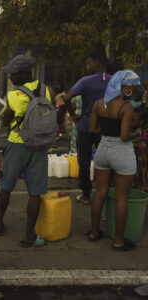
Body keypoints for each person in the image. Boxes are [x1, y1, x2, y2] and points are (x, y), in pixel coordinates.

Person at [0, 55, 51, 247]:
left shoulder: (13, 96)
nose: (10, 77)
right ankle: (29, 235)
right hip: (40, 146)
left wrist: (6, 120)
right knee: (35, 193)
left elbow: (5, 121)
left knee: (6, 187)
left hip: (17, 144)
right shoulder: (46, 90)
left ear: (24, 73)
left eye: (13, 73)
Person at [88, 70, 141, 251]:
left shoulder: (99, 104)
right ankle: (119, 241)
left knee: (100, 192)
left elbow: (92, 128)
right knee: (121, 198)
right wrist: (138, 133)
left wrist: (107, 132)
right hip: (122, 152)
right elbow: (125, 135)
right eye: (133, 88)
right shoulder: (126, 107)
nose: (134, 91)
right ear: (124, 87)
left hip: (103, 149)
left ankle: (94, 233)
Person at [56, 54, 111, 205]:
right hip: (105, 127)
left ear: (97, 62)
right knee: (106, 161)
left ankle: (86, 195)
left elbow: (65, 98)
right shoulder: (113, 80)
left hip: (86, 125)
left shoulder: (85, 81)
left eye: (89, 64)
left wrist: (73, 116)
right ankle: (104, 193)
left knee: (84, 161)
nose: (87, 67)